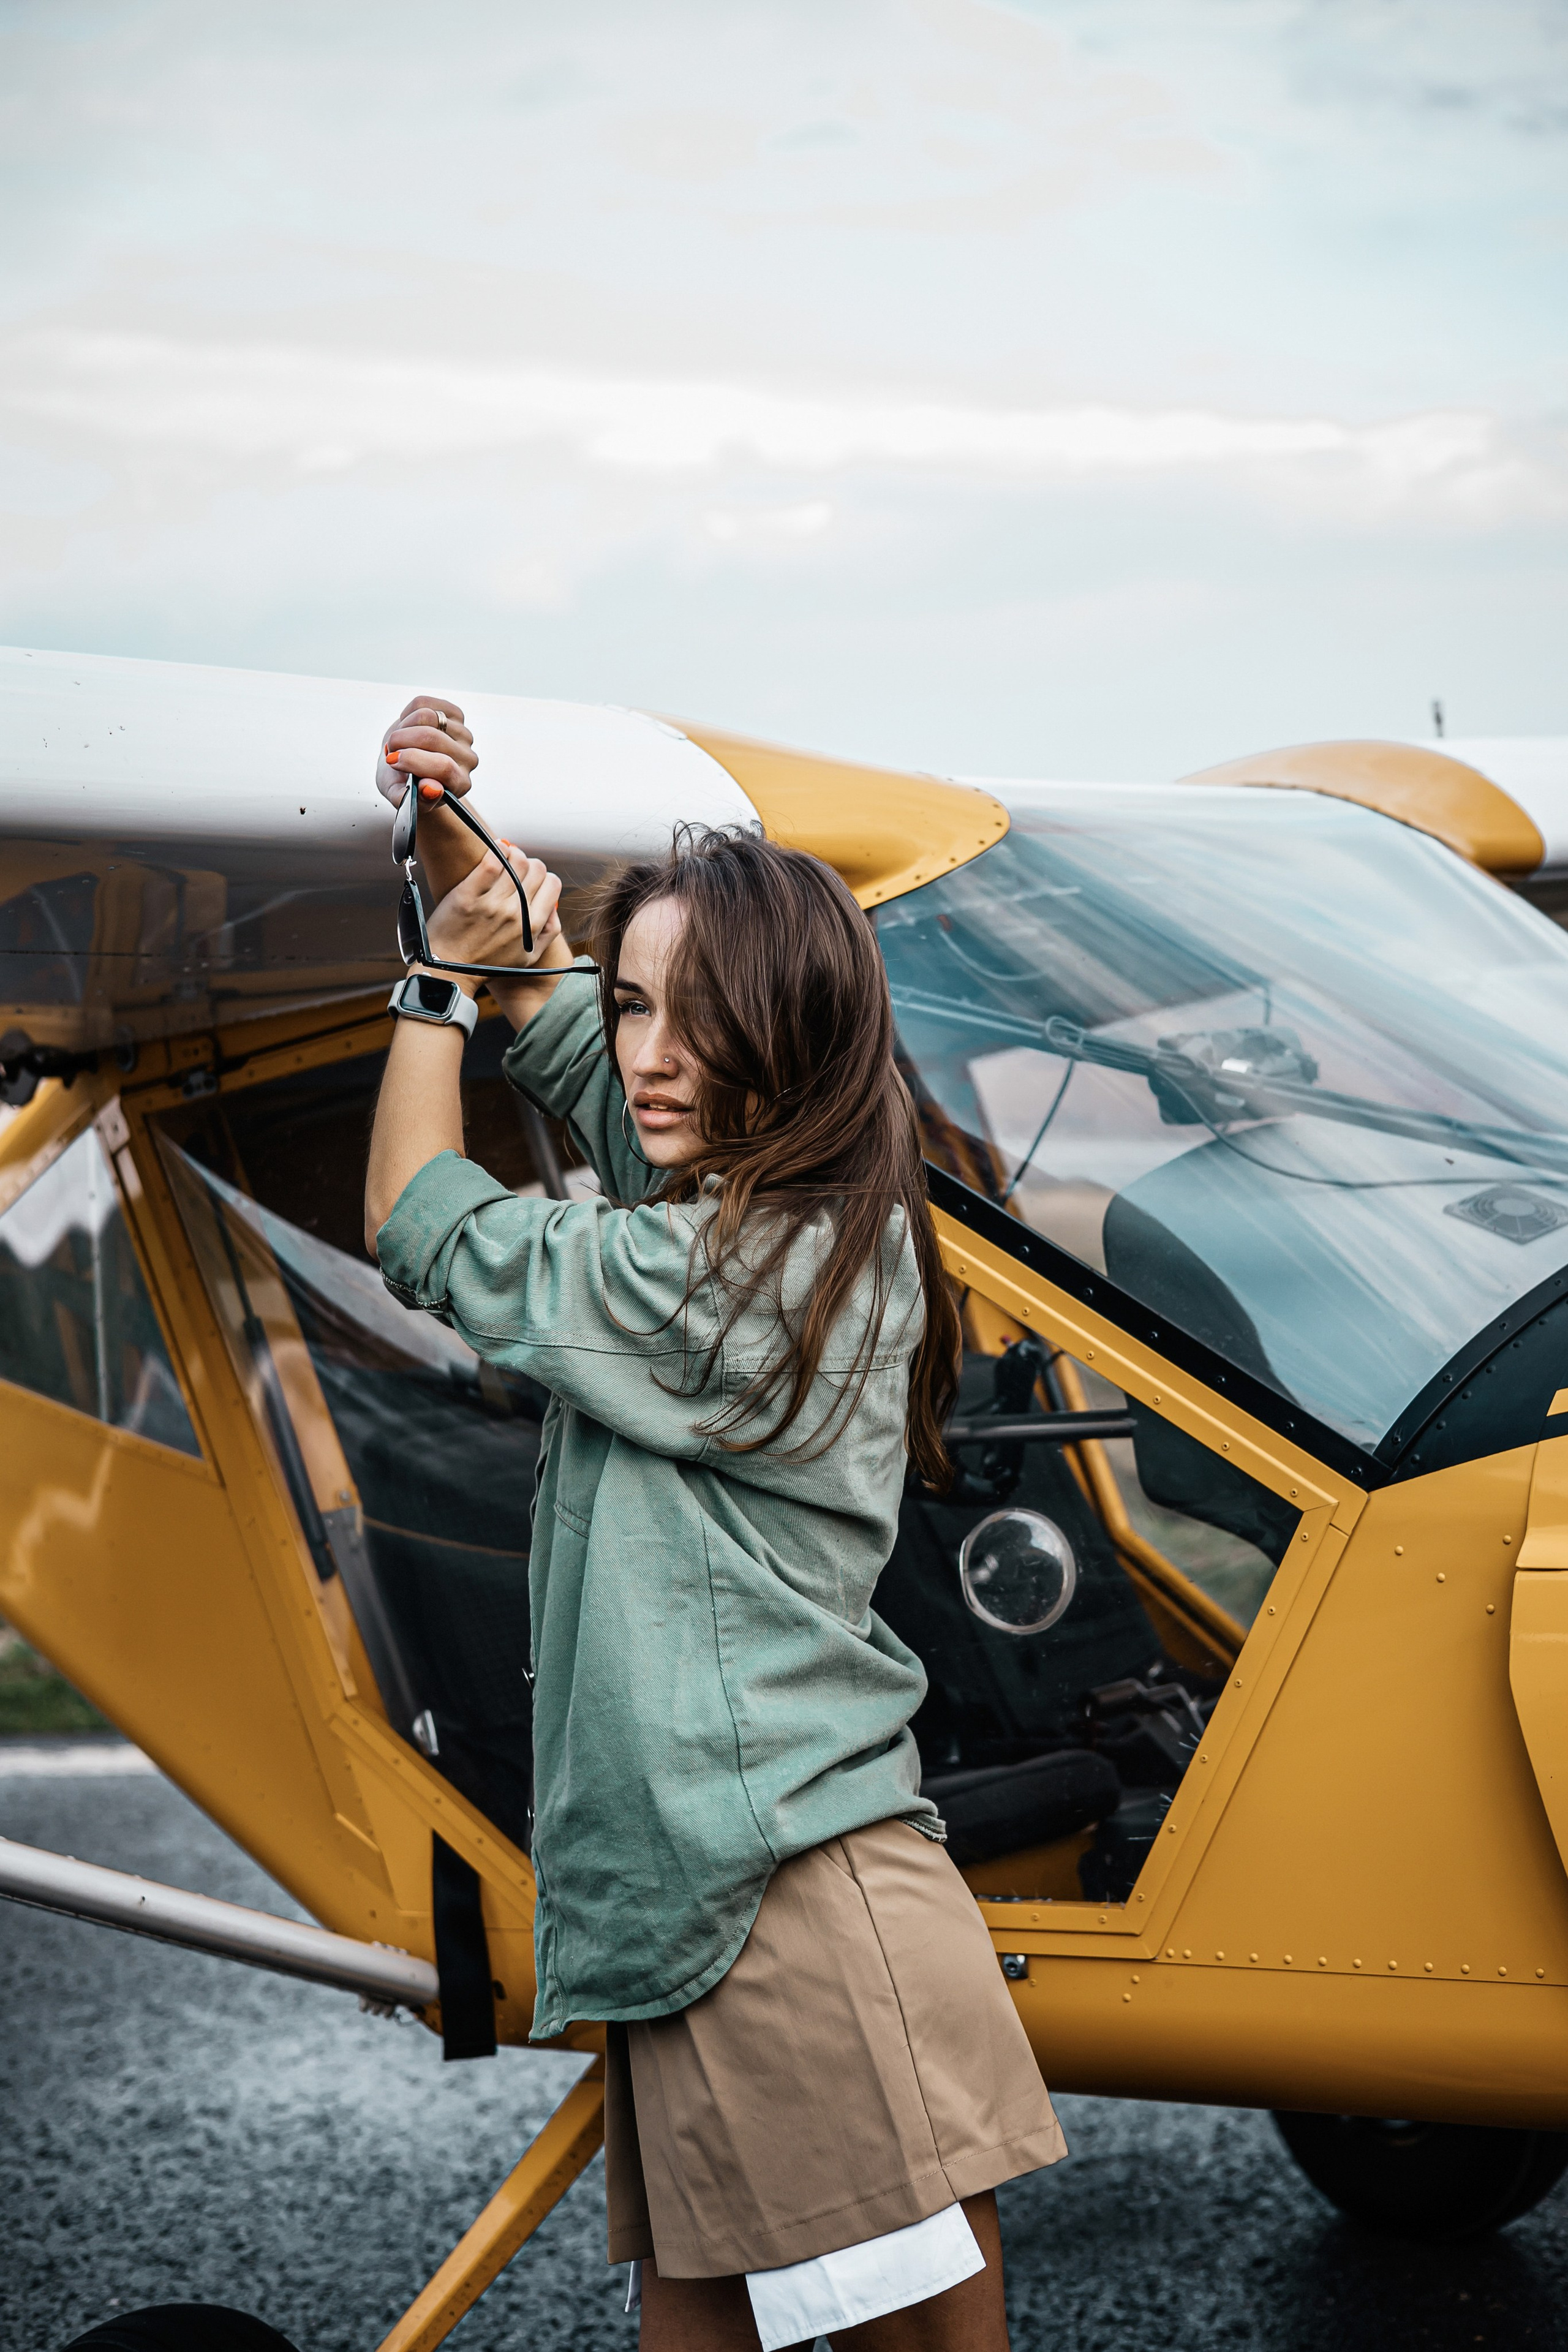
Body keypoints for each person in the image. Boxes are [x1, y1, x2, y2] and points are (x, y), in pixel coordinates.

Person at [364, 698, 1066, 2351]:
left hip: (784, 1915)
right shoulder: (785, 1215)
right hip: (724, 1907)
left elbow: (416, 1215)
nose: (647, 1054)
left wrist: (429, 986)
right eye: (632, 1006)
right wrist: (449, 841)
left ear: (798, 1037)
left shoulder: (730, 1275)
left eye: (700, 1018)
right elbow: (583, 1065)